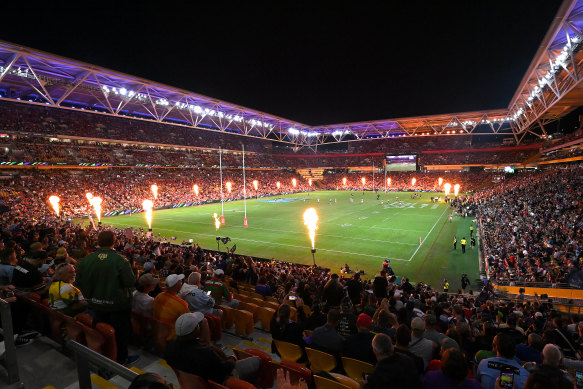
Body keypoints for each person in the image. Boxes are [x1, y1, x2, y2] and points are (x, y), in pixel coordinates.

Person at [76, 230, 137, 365]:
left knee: (102, 329)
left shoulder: (87, 259)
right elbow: (130, 282)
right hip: (118, 305)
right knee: (120, 333)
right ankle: (121, 358)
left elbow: (78, 282)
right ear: (114, 242)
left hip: (95, 304)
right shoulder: (120, 260)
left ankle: (105, 353)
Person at [164, 313, 260, 384]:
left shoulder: (169, 347)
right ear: (194, 332)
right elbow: (226, 368)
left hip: (192, 381)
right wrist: (232, 358)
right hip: (218, 380)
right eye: (198, 325)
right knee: (257, 360)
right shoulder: (205, 353)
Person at [153, 273, 190, 340]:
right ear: (177, 286)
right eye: (180, 282)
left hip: (156, 334)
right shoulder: (182, 304)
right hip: (171, 338)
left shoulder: (158, 296)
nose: (182, 283)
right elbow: (187, 324)